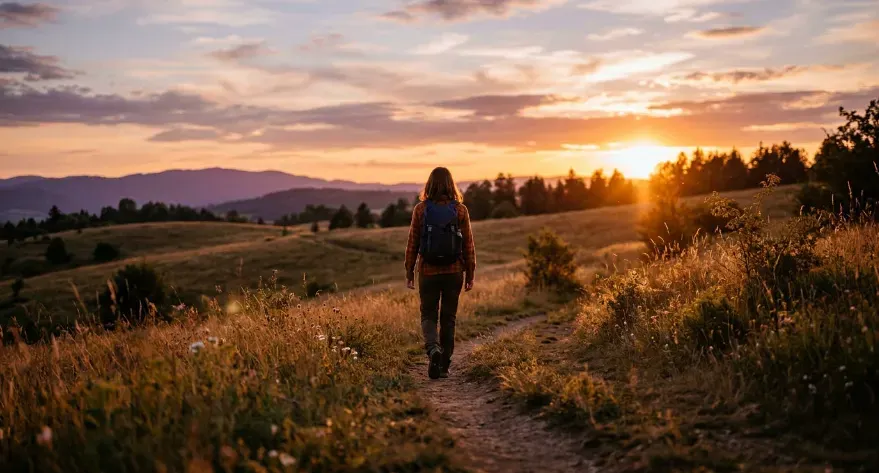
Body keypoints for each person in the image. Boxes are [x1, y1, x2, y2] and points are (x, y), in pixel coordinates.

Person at [405, 167, 476, 380]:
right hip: (454, 272)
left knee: (428, 315)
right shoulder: (460, 210)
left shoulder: (420, 209)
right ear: (451, 184)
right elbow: (469, 245)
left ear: (429, 184)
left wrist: (409, 271)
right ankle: (444, 366)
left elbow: (413, 243)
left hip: (428, 271)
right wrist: (470, 273)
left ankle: (433, 349)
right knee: (448, 318)